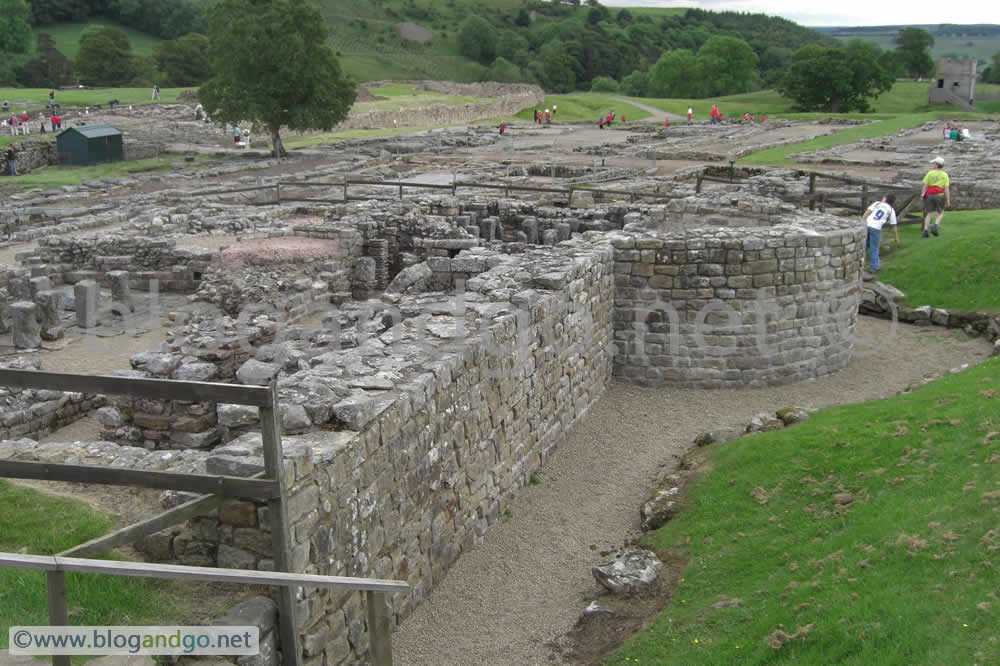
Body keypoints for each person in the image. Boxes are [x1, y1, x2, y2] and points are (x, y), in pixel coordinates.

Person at [861, 193, 899, 276]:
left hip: (867, 225)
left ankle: (859, 264)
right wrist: (896, 237)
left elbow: (867, 212)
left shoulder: (877, 203)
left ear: (885, 199)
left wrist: (861, 222)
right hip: (876, 228)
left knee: (864, 246)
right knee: (874, 248)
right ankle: (874, 267)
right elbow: (894, 225)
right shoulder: (891, 210)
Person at [921, 156, 950, 237]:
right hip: (939, 195)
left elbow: (925, 186)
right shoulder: (945, 175)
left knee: (929, 213)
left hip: (930, 195)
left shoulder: (930, 173)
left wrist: (922, 195)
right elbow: (946, 188)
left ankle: (925, 231)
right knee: (940, 212)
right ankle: (935, 225)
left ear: (937, 165)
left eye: (934, 163)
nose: (932, 164)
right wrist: (948, 200)